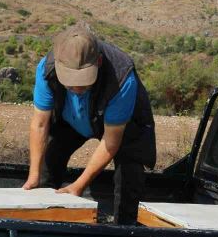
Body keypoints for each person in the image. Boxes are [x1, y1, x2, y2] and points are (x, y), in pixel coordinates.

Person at [22, 23, 156, 224]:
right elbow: (40, 124)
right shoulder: (46, 70)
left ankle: (124, 231)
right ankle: (44, 222)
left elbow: (110, 143)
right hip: (71, 119)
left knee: (129, 175)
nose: (76, 87)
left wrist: (79, 186)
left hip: (122, 125)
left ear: (99, 62)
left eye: (84, 81)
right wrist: (34, 176)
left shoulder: (121, 78)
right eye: (70, 81)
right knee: (47, 164)